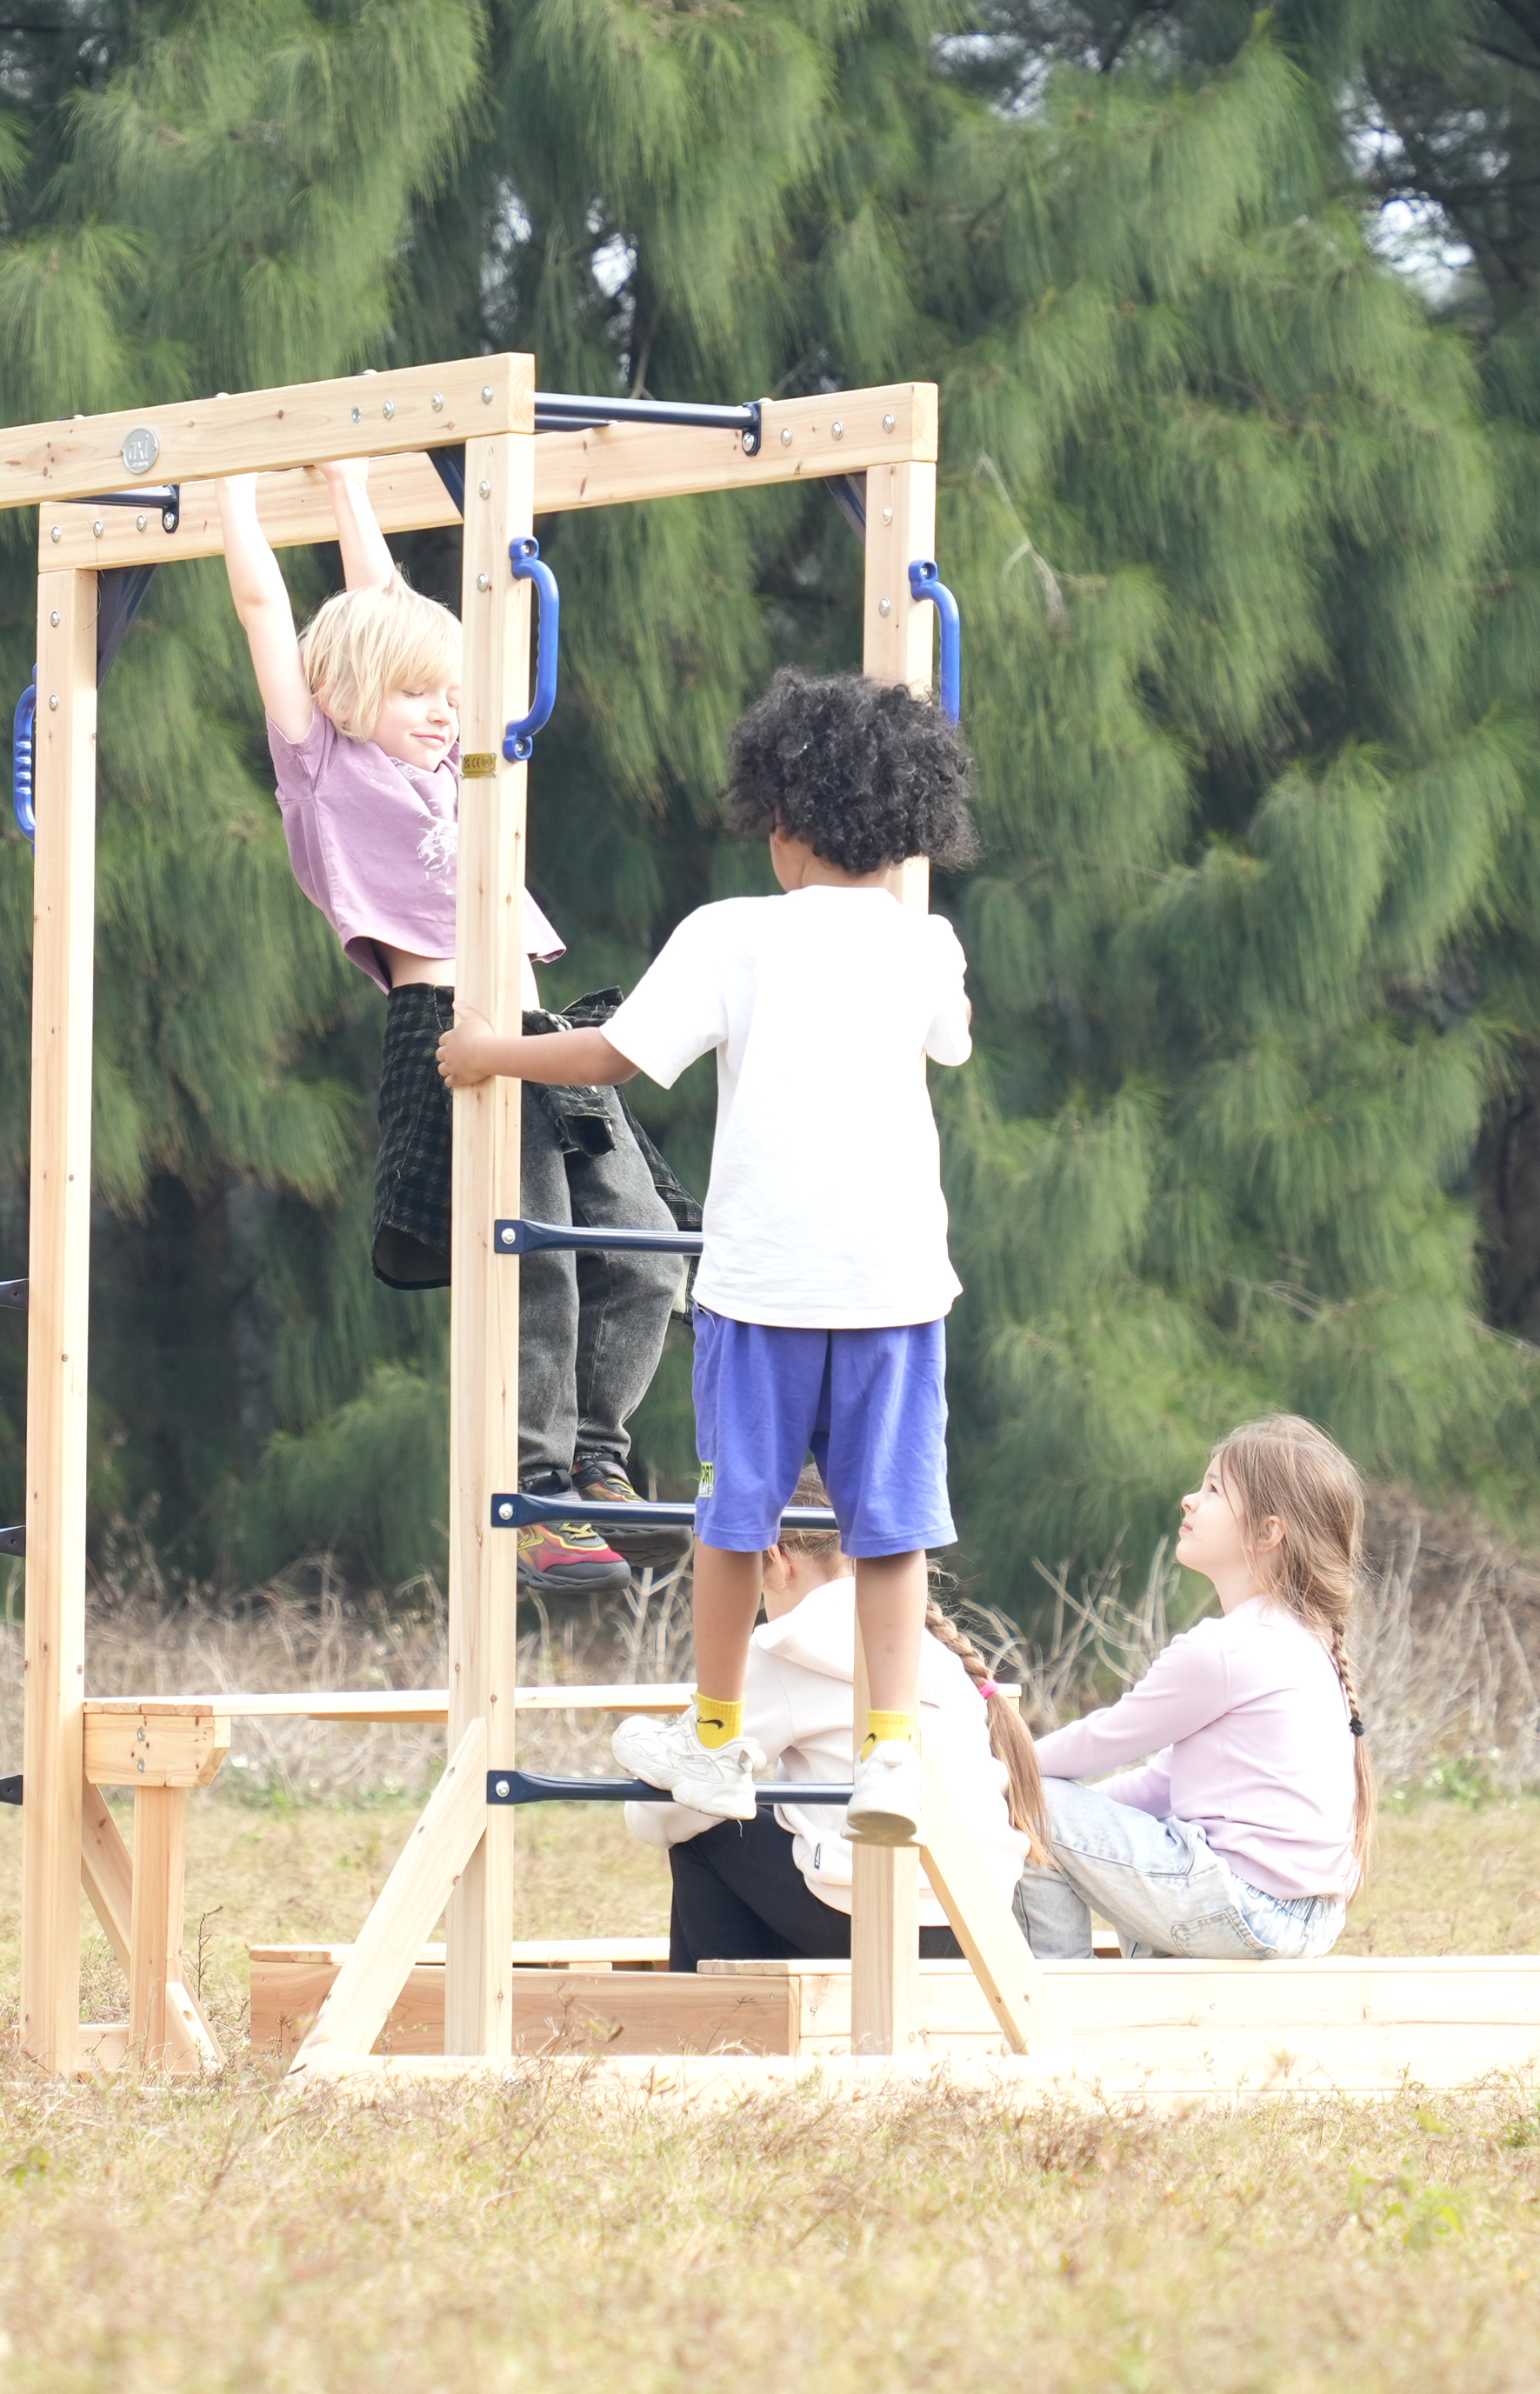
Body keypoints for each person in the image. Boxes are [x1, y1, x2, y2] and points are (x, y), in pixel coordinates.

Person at [440, 664, 979, 1843]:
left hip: (763, 1288)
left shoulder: (734, 935)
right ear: (906, 832)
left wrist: (490, 1050)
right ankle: (892, 1750)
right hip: (893, 1288)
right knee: (889, 1526)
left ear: (780, 826)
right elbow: (950, 1041)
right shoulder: (924, 944)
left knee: (737, 1518)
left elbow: (615, 1057)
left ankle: (719, 1737)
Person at [217, 463, 689, 1597]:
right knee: (535, 1268)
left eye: (455, 695)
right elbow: (270, 615)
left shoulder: (462, 769)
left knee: (641, 1252)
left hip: (546, 1030)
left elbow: (381, 595)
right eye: (422, 697)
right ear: (341, 702)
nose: (447, 713)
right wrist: (232, 486)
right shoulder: (323, 772)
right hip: (453, 1026)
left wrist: (345, 483)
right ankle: (536, 1499)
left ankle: (597, 1461)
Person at [625, 1484, 1050, 1968]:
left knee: (706, 1832)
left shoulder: (787, 1642)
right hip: (980, 1916)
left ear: (775, 1556)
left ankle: (722, 2027)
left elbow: (662, 1816)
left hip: (888, 1918)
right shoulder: (931, 1646)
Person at [1013, 1413, 1377, 1962]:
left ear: (1267, 1532)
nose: (1189, 1499)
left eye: (1212, 1490)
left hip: (1244, 1908)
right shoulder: (1301, 1641)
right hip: (1301, 1919)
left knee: (1030, 1803)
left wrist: (1003, 1771)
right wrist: (1077, 1823)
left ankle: (1064, 1994)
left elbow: (1104, 1741)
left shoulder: (1228, 1649)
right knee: (1048, 1809)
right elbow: (1161, 1786)